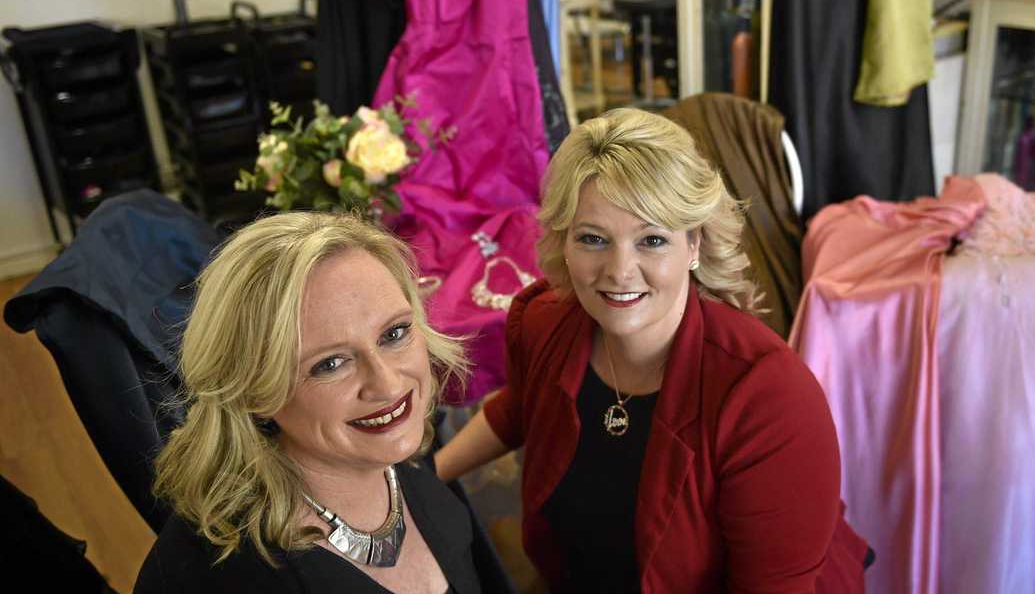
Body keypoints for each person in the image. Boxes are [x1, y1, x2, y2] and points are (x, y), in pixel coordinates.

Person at [435, 108, 870, 592]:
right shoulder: (543, 322)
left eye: (652, 240)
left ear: (695, 245)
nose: (620, 271)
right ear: (563, 241)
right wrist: (419, 480)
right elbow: (520, 408)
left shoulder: (769, 398)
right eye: (593, 239)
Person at [135, 212, 503, 593]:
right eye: (330, 364)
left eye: (394, 333)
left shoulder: (405, 460)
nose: (388, 383)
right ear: (253, 391)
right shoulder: (212, 577)